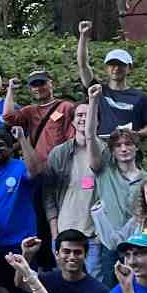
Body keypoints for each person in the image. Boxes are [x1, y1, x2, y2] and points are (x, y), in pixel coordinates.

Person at [44, 86, 104, 273]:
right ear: (72, 122)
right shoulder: (59, 153)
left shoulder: (105, 151)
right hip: (64, 232)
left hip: (94, 234)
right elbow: (49, 196)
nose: (83, 119)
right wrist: (54, 233)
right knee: (64, 285)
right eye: (79, 115)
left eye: (88, 114)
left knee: (95, 282)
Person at [0, 127, 44, 263]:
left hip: (22, 243)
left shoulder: (21, 167)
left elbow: (35, 171)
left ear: (11, 148)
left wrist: (22, 138)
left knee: (22, 283)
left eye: (0, 145)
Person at [75, 21, 147, 137]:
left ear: (130, 68)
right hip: (102, 149)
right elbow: (83, 65)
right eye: (112, 64)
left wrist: (135, 134)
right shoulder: (98, 91)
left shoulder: (141, 97)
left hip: (127, 149)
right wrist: (83, 36)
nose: (116, 68)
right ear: (106, 68)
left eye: (121, 65)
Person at [87, 128, 146, 282]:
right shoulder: (104, 172)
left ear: (136, 147)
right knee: (111, 292)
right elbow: (90, 137)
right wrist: (93, 103)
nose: (124, 148)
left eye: (128, 144)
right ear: (112, 151)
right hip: (110, 247)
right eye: (118, 145)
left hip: (138, 245)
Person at [1, 70, 76, 166]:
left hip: (60, 164)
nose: (38, 88)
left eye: (41, 83)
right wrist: (10, 90)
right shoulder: (29, 111)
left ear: (51, 84)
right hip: (37, 166)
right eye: (34, 85)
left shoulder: (66, 107)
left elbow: (72, 139)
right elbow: (8, 117)